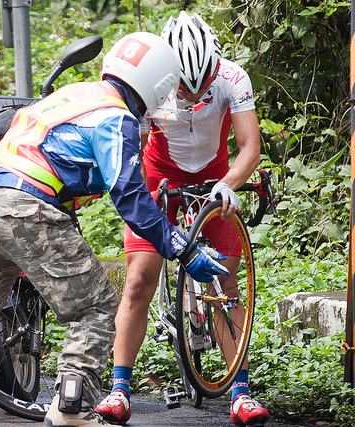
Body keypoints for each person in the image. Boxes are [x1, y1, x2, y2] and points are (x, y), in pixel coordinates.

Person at [0, 32, 230, 427]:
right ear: (159, 85)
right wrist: (183, 249)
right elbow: (131, 197)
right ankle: (72, 408)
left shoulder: (76, 93)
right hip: (25, 208)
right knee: (94, 308)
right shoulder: (116, 117)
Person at [95, 12, 270, 427]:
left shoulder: (231, 77)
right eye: (185, 88)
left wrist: (228, 184)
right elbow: (130, 149)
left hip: (216, 176)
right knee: (139, 279)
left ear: (215, 64)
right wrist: (143, 196)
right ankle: (119, 390)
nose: (194, 94)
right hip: (160, 175)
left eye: (202, 84)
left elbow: (249, 149)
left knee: (226, 284)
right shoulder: (150, 81)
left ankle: (241, 393)